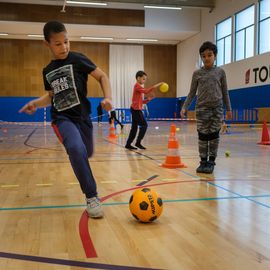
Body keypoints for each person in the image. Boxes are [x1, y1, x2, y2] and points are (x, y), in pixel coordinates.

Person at [19, 21, 112, 218]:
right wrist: (36, 103)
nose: (64, 47)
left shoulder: (78, 59)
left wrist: (108, 97)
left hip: (83, 118)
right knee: (76, 149)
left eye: (66, 42)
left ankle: (83, 169)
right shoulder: (47, 71)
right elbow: (51, 96)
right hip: (62, 119)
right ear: (48, 44)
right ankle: (92, 197)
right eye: (58, 44)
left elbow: (102, 76)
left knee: (86, 152)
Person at [180, 41, 232, 174]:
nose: (207, 58)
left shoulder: (220, 72)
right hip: (202, 109)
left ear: (215, 56)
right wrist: (184, 107)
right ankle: (203, 161)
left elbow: (225, 91)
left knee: (214, 136)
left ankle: (211, 162)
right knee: (203, 136)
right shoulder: (197, 73)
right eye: (204, 56)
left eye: (209, 55)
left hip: (217, 109)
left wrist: (229, 109)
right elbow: (192, 92)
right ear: (201, 58)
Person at [125, 70, 163, 150]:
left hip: (135, 109)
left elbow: (141, 102)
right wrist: (156, 86)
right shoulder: (137, 86)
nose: (144, 81)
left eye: (145, 79)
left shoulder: (138, 87)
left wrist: (148, 99)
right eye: (143, 79)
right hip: (136, 110)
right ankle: (138, 143)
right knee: (144, 125)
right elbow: (146, 91)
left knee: (134, 128)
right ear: (138, 78)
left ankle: (128, 144)